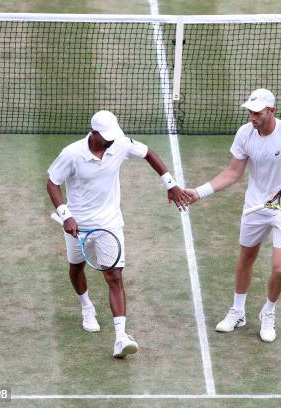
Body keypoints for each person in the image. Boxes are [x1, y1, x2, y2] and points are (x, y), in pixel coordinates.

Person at [46, 110, 190, 358]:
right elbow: (52, 182)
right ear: (93, 133)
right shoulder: (72, 154)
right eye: (106, 137)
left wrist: (170, 184)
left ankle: (120, 337)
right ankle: (86, 307)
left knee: (114, 276)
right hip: (78, 225)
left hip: (109, 223)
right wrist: (65, 213)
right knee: (76, 268)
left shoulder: (120, 143)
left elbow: (148, 154)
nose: (111, 140)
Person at [187, 89, 281, 342]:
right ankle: (238, 311)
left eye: (257, 113)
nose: (252, 117)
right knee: (246, 258)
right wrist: (198, 193)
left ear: (271, 112)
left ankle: (268, 312)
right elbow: (232, 172)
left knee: (280, 269)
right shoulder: (244, 134)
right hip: (256, 206)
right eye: (250, 112)